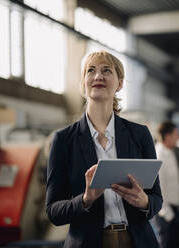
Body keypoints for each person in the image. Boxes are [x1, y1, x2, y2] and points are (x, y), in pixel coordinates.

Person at [46, 51, 163, 248]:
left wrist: (144, 201)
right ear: (83, 83)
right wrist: (85, 199)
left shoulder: (140, 135)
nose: (98, 76)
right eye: (91, 71)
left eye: (106, 70)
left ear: (120, 83)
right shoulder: (63, 140)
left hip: (137, 242)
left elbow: (156, 199)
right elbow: (53, 211)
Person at [153, 121, 179, 248]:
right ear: (167, 136)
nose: (178, 138)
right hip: (166, 213)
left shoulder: (169, 152)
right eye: (176, 134)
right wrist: (168, 215)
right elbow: (159, 186)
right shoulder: (159, 154)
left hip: (174, 210)